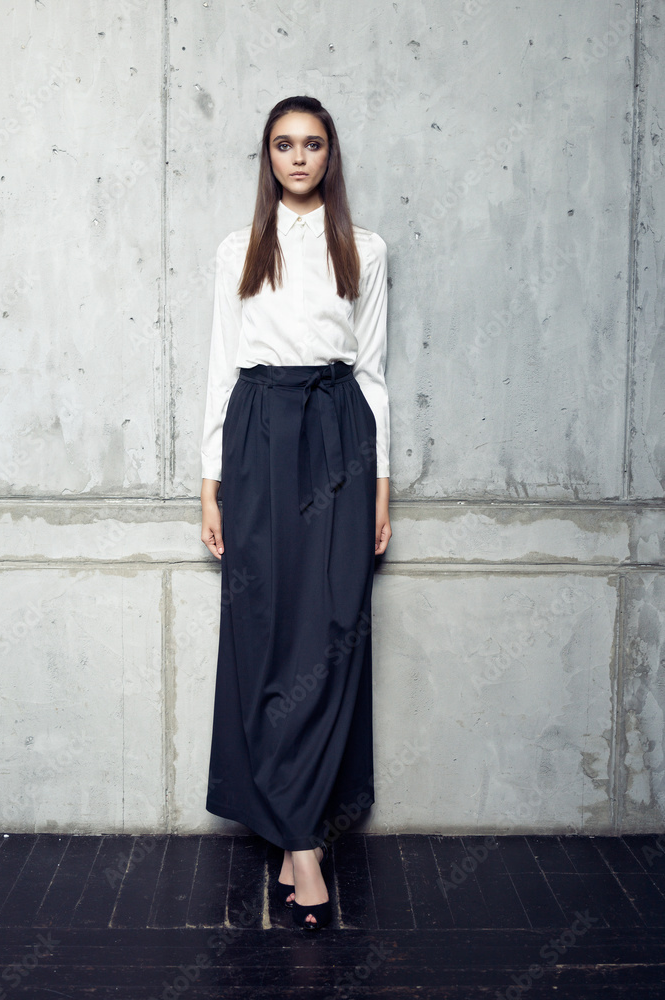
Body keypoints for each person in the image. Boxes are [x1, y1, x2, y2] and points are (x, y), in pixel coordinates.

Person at [200, 95, 391, 931]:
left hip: (338, 430)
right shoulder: (238, 249)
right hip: (257, 433)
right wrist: (208, 483)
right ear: (267, 157)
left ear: (330, 155)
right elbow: (216, 364)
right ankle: (301, 845)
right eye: (284, 144)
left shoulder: (366, 248)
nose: (299, 157)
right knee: (265, 630)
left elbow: (375, 371)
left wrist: (382, 487)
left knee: (331, 629)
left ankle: (298, 827)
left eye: (312, 144)